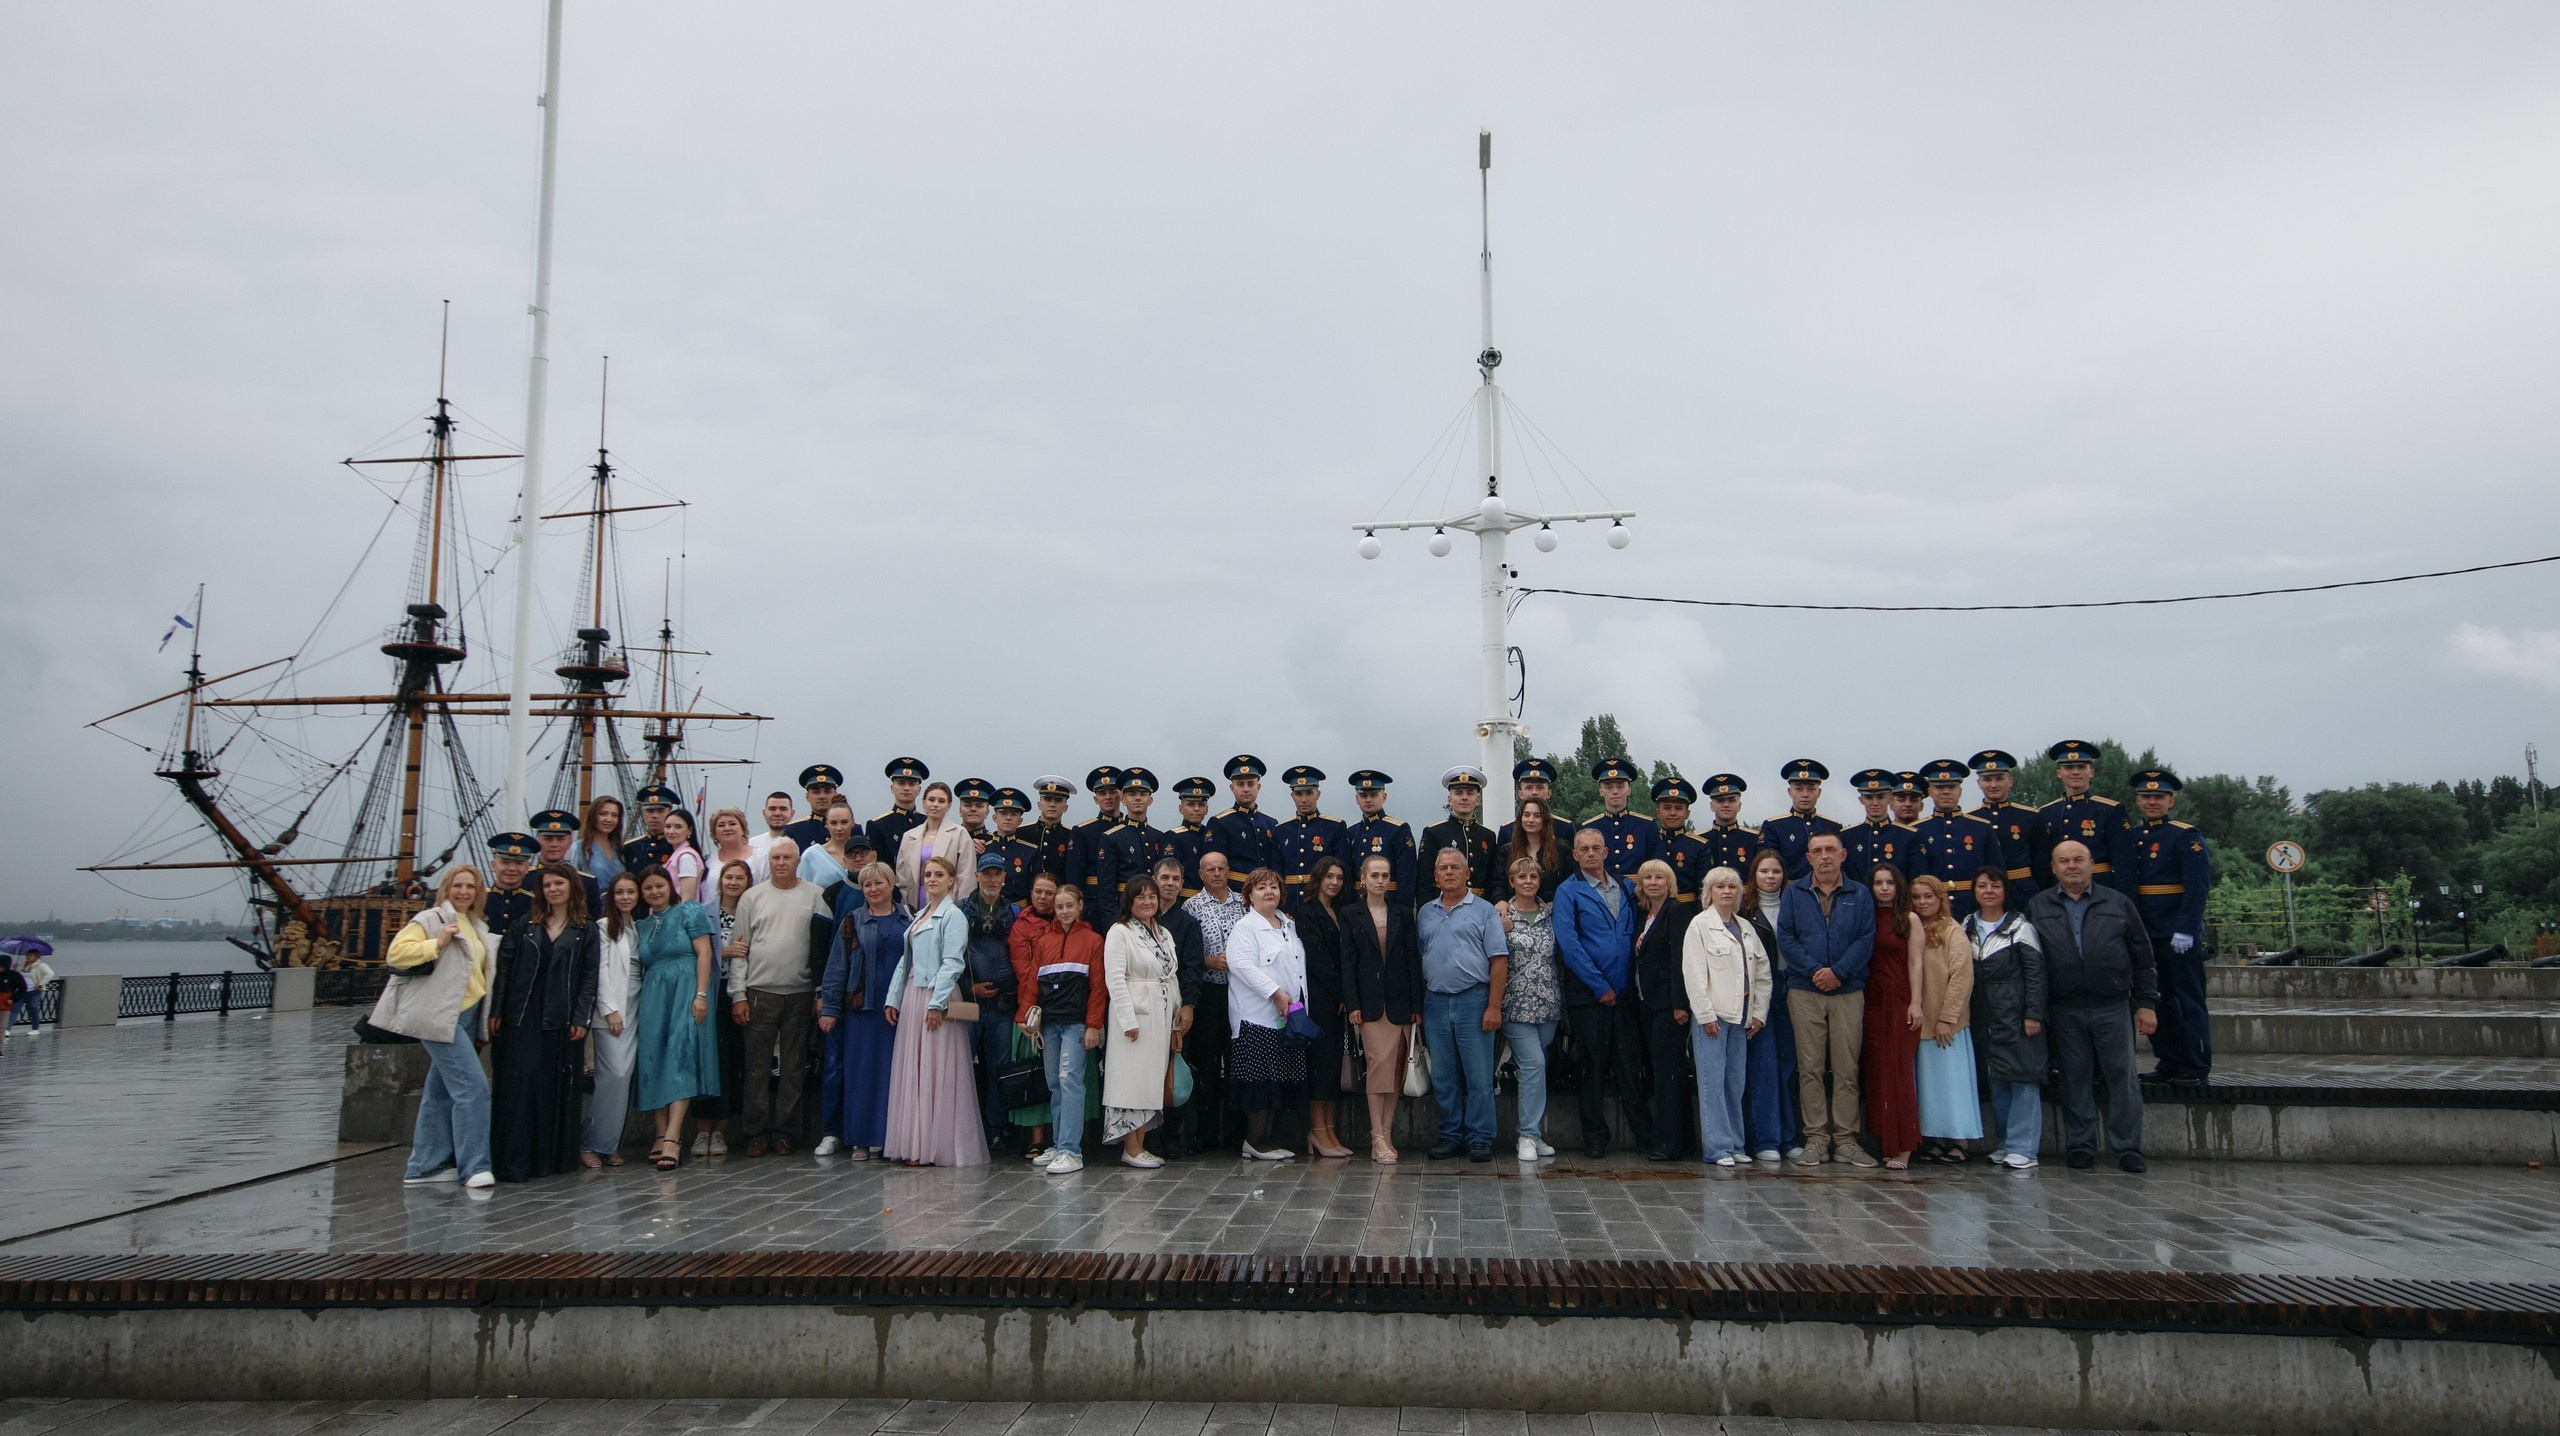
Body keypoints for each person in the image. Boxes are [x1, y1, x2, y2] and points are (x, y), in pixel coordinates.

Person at [2028, 839, 2160, 1172]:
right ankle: (2081, 1143)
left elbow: (2143, 957)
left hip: (2113, 1005)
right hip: (2064, 1007)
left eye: (2078, 859)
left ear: (2092, 864)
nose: (2071, 866)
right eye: (2063, 861)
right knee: (2074, 1078)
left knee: (2123, 1078)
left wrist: (2146, 1003)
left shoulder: (2118, 903)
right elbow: (2032, 962)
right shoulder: (2038, 906)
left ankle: (2128, 1146)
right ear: (2053, 867)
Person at [374, 865, 497, 1189]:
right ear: (446, 888)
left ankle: (424, 1167)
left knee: (440, 1092)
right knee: (473, 1088)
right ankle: (474, 1166)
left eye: (470, 886)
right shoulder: (431, 920)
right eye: (457, 885)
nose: (464, 891)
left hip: (468, 1015)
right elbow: (396, 954)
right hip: (441, 1016)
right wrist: (437, 944)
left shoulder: (477, 924)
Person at [488, 861, 597, 1183]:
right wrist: (496, 1011)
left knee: (556, 1086)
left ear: (571, 887)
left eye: (558, 884)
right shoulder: (524, 924)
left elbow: (589, 978)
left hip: (562, 1017)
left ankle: (551, 1158)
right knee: (522, 1084)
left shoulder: (585, 930)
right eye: (547, 885)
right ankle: (516, 1160)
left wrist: (582, 1017)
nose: (553, 889)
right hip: (523, 1013)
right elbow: (504, 970)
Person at [881, 854, 991, 1169]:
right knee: (914, 1071)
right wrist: (894, 998)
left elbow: (953, 962)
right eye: (928, 874)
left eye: (938, 874)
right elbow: (907, 959)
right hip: (914, 993)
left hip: (935, 995)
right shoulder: (919, 916)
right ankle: (915, 1142)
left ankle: (936, 1145)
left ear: (951, 880)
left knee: (935, 1069)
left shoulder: (953, 916)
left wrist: (937, 1003)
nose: (931, 879)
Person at [1776, 831, 1877, 1167]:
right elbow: (1786, 938)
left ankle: (1847, 1139)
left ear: (1843, 854)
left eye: (1830, 849)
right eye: (1817, 851)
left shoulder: (1860, 893)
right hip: (1805, 990)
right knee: (1810, 1068)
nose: (1824, 856)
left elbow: (1866, 938)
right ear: (1808, 858)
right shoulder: (1794, 892)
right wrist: (1817, 970)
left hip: (1847, 991)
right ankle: (1817, 1138)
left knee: (1847, 1068)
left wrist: (1840, 972)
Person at [725, 838, 831, 1156]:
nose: (781, 862)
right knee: (756, 1066)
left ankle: (786, 1131)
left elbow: (821, 948)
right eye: (775, 857)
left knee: (794, 1066)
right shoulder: (752, 897)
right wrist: (738, 995)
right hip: (759, 993)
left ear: (798, 861)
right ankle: (755, 1132)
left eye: (787, 857)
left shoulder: (816, 896)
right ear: (768, 861)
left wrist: (818, 993)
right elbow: (739, 951)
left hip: (799, 993)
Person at [1554, 828, 1649, 1158]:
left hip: (1623, 992)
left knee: (1628, 1064)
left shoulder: (1626, 886)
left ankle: (1644, 1135)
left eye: (1597, 848)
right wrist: (1599, 986)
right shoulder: (1569, 891)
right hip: (1589, 995)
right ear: (1576, 855)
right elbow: (1570, 944)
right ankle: (1595, 1137)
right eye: (1584, 849)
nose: (1591, 853)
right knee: (1592, 1067)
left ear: (1606, 852)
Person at [1415, 847, 1509, 1162]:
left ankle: (1481, 1137)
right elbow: (1421, 956)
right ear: (1435, 876)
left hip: (1474, 999)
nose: (1449, 872)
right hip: (1437, 1002)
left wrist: (1493, 1007)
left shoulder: (1484, 911)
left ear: (1467, 874)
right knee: (1443, 1074)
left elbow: (1498, 960)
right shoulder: (1425, 912)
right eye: (1443, 868)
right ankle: (1451, 1134)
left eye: (1456, 867)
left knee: (1478, 1075)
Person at [630, 864, 721, 1170]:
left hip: (686, 988)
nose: (654, 892)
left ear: (669, 886)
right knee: (653, 1059)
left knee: (679, 1058)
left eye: (659, 886)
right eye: (648, 888)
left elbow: (705, 953)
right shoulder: (641, 925)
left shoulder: (689, 912)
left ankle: (673, 1136)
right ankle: (659, 1133)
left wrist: (701, 994)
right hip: (654, 994)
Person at [817, 861, 909, 1160]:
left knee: (892, 1074)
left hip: (898, 1010)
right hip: (861, 1009)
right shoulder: (852, 920)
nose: (872, 889)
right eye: (867, 884)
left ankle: (887, 1136)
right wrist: (830, 1008)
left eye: (878, 883)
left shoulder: (908, 918)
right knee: (860, 1074)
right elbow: (836, 967)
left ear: (891, 885)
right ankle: (859, 1139)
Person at [1681, 866, 1772, 1166]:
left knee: (1735, 1082)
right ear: (1709, 892)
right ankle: (1717, 1148)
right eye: (1720, 886)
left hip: (1741, 1017)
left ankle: (1735, 1143)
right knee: (1712, 1082)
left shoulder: (1745, 927)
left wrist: (1759, 1012)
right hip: (1714, 1017)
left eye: (1732, 886)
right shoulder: (1699, 925)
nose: (1727, 891)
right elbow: (1694, 974)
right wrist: (1705, 1014)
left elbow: (1762, 974)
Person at [2128, 768, 2214, 1085]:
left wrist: (2187, 929)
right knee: (2156, 1001)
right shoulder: (2134, 837)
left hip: (2176, 932)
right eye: (2146, 796)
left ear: (2171, 801)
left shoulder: (2185, 836)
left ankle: (2195, 1065)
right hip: (2145, 931)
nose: (2152, 802)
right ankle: (2168, 1060)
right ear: (2138, 800)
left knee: (2188, 1001)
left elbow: (2197, 889)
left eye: (2158, 797)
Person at [1020, 880, 1108, 1173]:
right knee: (1055, 1083)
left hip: (1076, 1025)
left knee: (1071, 1082)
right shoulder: (1044, 941)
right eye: (1059, 907)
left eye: (1070, 905)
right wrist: (1024, 1016)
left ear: (1080, 905)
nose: (1064, 911)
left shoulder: (1094, 940)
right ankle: (1058, 1145)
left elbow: (1098, 989)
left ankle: (1072, 1150)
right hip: (1050, 1025)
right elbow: (1032, 981)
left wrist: (1094, 1025)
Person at [1345, 853, 1427, 1163]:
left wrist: (1416, 1005)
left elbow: (1411, 960)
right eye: (1375, 875)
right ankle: (1375, 1134)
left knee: (1395, 1071)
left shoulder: (1403, 914)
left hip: (1400, 1004)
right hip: (1369, 1005)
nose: (1380, 880)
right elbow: (1348, 962)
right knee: (1378, 1066)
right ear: (1363, 879)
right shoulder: (1351, 914)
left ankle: (1387, 1131)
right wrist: (1352, 1003)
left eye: (1385, 875)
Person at [1965, 866, 2048, 1170]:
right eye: (1982, 885)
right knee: (1997, 1078)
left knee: (2023, 1079)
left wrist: (2033, 1013)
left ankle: (2024, 1147)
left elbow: (2036, 975)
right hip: (1983, 1017)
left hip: (2016, 1014)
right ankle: (2004, 1143)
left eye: (1995, 886)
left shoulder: (2020, 927)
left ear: (2005, 891)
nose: (1988, 891)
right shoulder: (1966, 927)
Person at [1225, 867, 1309, 1160]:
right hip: (1257, 1018)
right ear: (1249, 894)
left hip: (1287, 1018)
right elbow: (1242, 966)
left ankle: (1268, 1139)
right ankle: (1254, 1140)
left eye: (1273, 887)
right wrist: (1275, 993)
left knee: (1278, 1080)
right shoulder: (1245, 928)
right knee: (1260, 1083)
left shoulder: (1287, 925)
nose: (1268, 892)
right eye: (1261, 888)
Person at [1102, 874, 1183, 1168]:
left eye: (1152, 897)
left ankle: (1141, 1144)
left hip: (1161, 1016)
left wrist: (1176, 1021)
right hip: (1135, 1015)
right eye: (1141, 897)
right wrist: (1127, 1020)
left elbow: (1171, 975)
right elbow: (1115, 978)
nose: (1148, 902)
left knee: (1150, 1079)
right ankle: (1130, 1147)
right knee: (1130, 1080)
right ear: (1130, 902)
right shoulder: (1119, 932)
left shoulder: (1163, 933)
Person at [1907, 874, 1983, 1164]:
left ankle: (1959, 1140)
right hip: (1919, 1021)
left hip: (1945, 1023)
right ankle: (1936, 1139)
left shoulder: (1952, 930)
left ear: (1940, 899)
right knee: (1930, 1087)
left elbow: (1962, 977)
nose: (1923, 902)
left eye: (1928, 896)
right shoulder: (1912, 929)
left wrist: (1947, 1018)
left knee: (1953, 1084)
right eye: (1916, 897)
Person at [1180, 851, 1251, 1152]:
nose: (1217, 874)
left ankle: (1237, 1134)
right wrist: (1209, 961)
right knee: (1207, 1062)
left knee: (1237, 1062)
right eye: (1211, 869)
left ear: (1229, 871)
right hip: (1208, 993)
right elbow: (1186, 952)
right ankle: (1206, 1134)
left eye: (1222, 868)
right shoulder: (1191, 906)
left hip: (1240, 993)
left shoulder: (1244, 905)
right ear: (1201, 873)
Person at [1493, 855, 1561, 1162]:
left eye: (1533, 877)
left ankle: (1536, 1131)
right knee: (1533, 1064)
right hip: (1515, 1003)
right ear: (1512, 882)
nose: (1528, 882)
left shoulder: (1551, 913)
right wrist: (1502, 929)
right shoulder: (1502, 916)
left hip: (1548, 1003)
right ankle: (1528, 1135)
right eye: (1522, 877)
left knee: (1537, 1067)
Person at [1629, 858, 1698, 1161]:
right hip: (1648, 1002)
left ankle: (1670, 1144)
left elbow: (1681, 958)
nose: (1653, 882)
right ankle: (1677, 1140)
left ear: (1669, 883)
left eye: (1659, 877)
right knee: (1659, 1072)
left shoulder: (1677, 911)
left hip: (1669, 1005)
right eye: (1647, 878)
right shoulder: (1645, 915)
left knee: (1670, 1073)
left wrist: (1680, 1003)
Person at [1859, 863, 1924, 1170]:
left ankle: (1904, 1146)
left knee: (1899, 1073)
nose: (1884, 888)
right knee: (1876, 1073)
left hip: (1899, 1001)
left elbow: (1916, 964)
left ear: (1899, 887)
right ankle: (1884, 1142)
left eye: (1889, 883)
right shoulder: (1866, 919)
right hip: (1870, 1001)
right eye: (1878, 883)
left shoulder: (1909, 919)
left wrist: (1916, 1002)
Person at [688, 859, 754, 1158]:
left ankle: (722, 1131)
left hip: (741, 994)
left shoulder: (752, 910)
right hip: (711, 993)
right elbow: (693, 950)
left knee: (732, 1063)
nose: (734, 882)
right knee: (708, 1060)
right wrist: (724, 951)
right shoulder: (705, 912)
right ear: (720, 880)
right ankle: (702, 1130)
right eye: (729, 876)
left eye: (740, 877)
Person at [960, 853, 1024, 1153]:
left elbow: (1021, 956)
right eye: (987, 874)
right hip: (970, 1003)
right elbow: (953, 955)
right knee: (962, 1068)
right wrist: (967, 986)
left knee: (999, 1070)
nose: (992, 880)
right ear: (977, 876)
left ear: (1004, 878)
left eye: (997, 874)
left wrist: (1008, 988)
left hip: (1001, 1004)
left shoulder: (1013, 912)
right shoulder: (961, 910)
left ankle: (996, 1130)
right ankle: (964, 1129)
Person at [1293, 856, 1355, 1158]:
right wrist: (1340, 991)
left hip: (1338, 999)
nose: (1334, 882)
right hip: (1319, 997)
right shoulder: (1307, 912)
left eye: (1339, 877)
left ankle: (1330, 1129)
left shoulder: (1341, 911)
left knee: (1332, 1066)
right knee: (1320, 1064)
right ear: (1317, 879)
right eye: (1329, 876)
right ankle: (1317, 1131)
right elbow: (1317, 960)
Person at [1004, 872, 1068, 1162]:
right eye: (1038, 891)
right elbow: (1024, 968)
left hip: (1064, 1006)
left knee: (1064, 1075)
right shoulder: (1021, 925)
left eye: (1049, 892)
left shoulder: (1066, 921)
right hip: (1031, 1006)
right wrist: (1030, 1007)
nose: (1043, 897)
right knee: (1035, 1073)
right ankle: (1037, 1139)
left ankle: (1064, 1136)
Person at [1739, 848, 1797, 1163]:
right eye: (1764, 872)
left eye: (1775, 871)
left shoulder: (1796, 903)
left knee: (1789, 1065)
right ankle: (1765, 1139)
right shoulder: (1745, 909)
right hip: (1758, 991)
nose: (1770, 877)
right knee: (1762, 1066)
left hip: (1793, 987)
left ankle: (1789, 1138)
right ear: (1754, 876)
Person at [582, 871, 643, 1168]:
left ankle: (609, 1144)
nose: (625, 898)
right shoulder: (604, 927)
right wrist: (609, 1009)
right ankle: (591, 1142)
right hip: (613, 1012)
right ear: (611, 896)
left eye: (631, 892)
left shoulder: (638, 927)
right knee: (613, 1075)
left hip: (636, 1009)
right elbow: (600, 971)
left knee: (624, 1079)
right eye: (620, 892)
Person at [1911, 760, 2007, 920]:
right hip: (1931, 911)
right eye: (1940, 787)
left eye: (1951, 787)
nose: (1946, 792)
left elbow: (1996, 872)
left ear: (1960, 791)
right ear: (1930, 791)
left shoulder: (1981, 828)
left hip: (1973, 907)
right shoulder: (1916, 831)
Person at [2037, 740, 2136, 893]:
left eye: (2081, 767)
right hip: (2058, 891)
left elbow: (2125, 863)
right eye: (2068, 768)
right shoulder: (2046, 812)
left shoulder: (2110, 810)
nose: (2075, 772)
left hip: (2100, 889)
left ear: (2091, 772)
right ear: (2059, 773)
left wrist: (2123, 903)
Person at [1094, 768, 1173, 929]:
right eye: (1132, 794)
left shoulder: (1159, 837)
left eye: (1143, 794)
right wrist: (1113, 922)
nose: (1137, 798)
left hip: (1154, 911)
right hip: (1124, 910)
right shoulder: (1111, 837)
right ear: (1123, 800)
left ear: (1150, 800)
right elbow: (1106, 888)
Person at [1968, 750, 2043, 904]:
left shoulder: (2030, 817)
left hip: (2023, 891)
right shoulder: (1970, 820)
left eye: (1999, 779)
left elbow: (2040, 861)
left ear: (2010, 781)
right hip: (1985, 894)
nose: (1993, 785)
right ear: (1979, 783)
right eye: (1987, 779)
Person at [1419, 765, 1502, 897]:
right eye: (1458, 793)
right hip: (1443, 904)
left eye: (1470, 793)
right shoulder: (1434, 832)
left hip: (1479, 906)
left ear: (1478, 800)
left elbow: (1492, 878)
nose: (1464, 797)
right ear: (1449, 800)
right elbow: (1424, 880)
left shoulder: (1488, 836)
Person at [894, 781, 979, 910]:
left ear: (949, 805)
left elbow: (966, 879)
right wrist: (906, 907)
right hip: (914, 904)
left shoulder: (959, 834)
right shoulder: (909, 836)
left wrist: (960, 909)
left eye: (941, 801)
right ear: (923, 802)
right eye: (931, 800)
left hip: (949, 905)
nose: (935, 805)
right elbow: (902, 879)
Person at [1757, 760, 1841, 881]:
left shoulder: (1832, 827)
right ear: (1790, 792)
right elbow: (1767, 866)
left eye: (1811, 789)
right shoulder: (1774, 826)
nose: (1805, 795)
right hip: (1787, 892)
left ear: (1819, 793)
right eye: (1799, 789)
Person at [1342, 770, 1416, 906]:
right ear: (1357, 799)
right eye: (1363, 795)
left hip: (1388, 903)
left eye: (1374, 795)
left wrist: (1402, 912)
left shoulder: (1398, 830)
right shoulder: (1351, 832)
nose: (1368, 799)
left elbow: (1406, 878)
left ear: (1384, 797)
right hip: (1357, 905)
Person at [1582, 757, 1662, 878]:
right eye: (1608, 787)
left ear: (1629, 790)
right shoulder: (1589, 827)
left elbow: (1658, 865)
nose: (1615, 791)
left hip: (1637, 892)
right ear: (1601, 791)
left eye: (1620, 786)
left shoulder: (1646, 825)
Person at [1206, 755, 1279, 882]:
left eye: (1251, 784)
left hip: (1266, 891)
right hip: (1235, 891)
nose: (1246, 789)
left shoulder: (1271, 823)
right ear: (1232, 788)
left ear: (1258, 787)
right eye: (1240, 784)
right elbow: (1213, 867)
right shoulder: (1220, 823)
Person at [1842, 770, 1921, 885]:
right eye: (1869, 797)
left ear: (1890, 799)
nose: (1875, 803)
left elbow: (1915, 879)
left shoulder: (1909, 836)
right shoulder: (1848, 837)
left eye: (1880, 797)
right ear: (1861, 800)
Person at [1066, 765, 1125, 918]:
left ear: (1121, 794)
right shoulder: (1082, 831)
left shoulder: (1129, 830)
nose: (1108, 796)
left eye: (1112, 791)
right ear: (1095, 799)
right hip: (1093, 903)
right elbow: (1074, 877)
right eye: (1102, 793)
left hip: (1126, 899)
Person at [1650, 777, 1713, 903]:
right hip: (1653, 909)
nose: (1672, 813)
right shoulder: (1650, 841)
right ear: (1658, 812)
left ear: (1687, 814)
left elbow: (1703, 889)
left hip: (1687, 912)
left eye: (1678, 808)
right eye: (1667, 808)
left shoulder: (1699, 845)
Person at [1499, 757, 1578, 854]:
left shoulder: (1564, 828)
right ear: (1520, 794)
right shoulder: (1507, 830)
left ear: (1549, 793)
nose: (1534, 793)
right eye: (1529, 788)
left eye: (1540, 788)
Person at [1501, 797, 1566, 902]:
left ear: (1545, 819)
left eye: (1537, 816)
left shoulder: (1561, 849)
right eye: (1526, 815)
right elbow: (1498, 883)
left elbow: (1569, 882)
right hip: (1515, 912)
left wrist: (1558, 903)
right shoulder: (1507, 851)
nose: (1531, 820)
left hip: (1555, 911)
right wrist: (1500, 901)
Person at [868, 756, 931, 859]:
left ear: (919, 790)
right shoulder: (878, 825)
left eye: (912, 784)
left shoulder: (927, 822)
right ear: (892, 788)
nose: (906, 788)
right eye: (901, 783)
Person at [1697, 774, 1759, 878]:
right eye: (1720, 800)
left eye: (1731, 800)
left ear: (1739, 806)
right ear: (1711, 806)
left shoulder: (1754, 839)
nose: (1726, 805)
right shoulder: (1699, 840)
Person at [1023, 775, 1079, 885]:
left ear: (1066, 807)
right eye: (1047, 799)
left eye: (1058, 800)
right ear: (1039, 805)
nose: (1052, 804)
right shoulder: (1021, 832)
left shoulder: (1072, 835)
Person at [1166, 776, 1217, 896]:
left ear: (1207, 809)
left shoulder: (1211, 834)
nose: (1196, 809)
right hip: (1184, 898)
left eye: (1201, 805)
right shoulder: (1173, 837)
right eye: (1191, 804)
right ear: (1181, 808)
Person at [799, 800, 863, 890]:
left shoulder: (864, 854)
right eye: (833, 823)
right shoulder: (812, 855)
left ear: (853, 823)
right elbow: (801, 890)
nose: (839, 828)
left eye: (844, 822)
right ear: (827, 825)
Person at [782, 765, 843, 854]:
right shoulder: (794, 830)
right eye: (816, 792)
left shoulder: (851, 828)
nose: (822, 796)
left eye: (827, 791)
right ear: (807, 797)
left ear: (835, 795)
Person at [621, 785, 679, 872]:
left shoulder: (676, 846)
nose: (654, 816)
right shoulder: (630, 847)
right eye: (650, 811)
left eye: (660, 811)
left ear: (669, 813)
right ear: (643, 814)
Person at [574, 795, 626, 890]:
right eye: (603, 814)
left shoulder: (621, 850)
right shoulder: (578, 849)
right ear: (593, 816)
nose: (609, 819)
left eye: (614, 815)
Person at [660, 808, 708, 905]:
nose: (671, 831)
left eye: (678, 827)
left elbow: (687, 899)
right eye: (668, 826)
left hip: (679, 917)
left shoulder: (686, 857)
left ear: (689, 830)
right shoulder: (677, 854)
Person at [748, 790, 799, 879]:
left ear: (792, 813)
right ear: (764, 813)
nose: (777, 813)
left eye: (783, 809)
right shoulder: (752, 845)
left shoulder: (801, 842)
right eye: (772, 809)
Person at [705, 807, 757, 890]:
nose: (727, 828)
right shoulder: (708, 862)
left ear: (743, 829)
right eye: (721, 825)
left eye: (732, 824)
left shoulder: (759, 857)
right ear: (714, 833)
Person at [954, 777, 998, 852]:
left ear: (987, 812)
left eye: (979, 806)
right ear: (960, 811)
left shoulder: (996, 843)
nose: (973, 809)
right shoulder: (951, 839)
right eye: (968, 805)